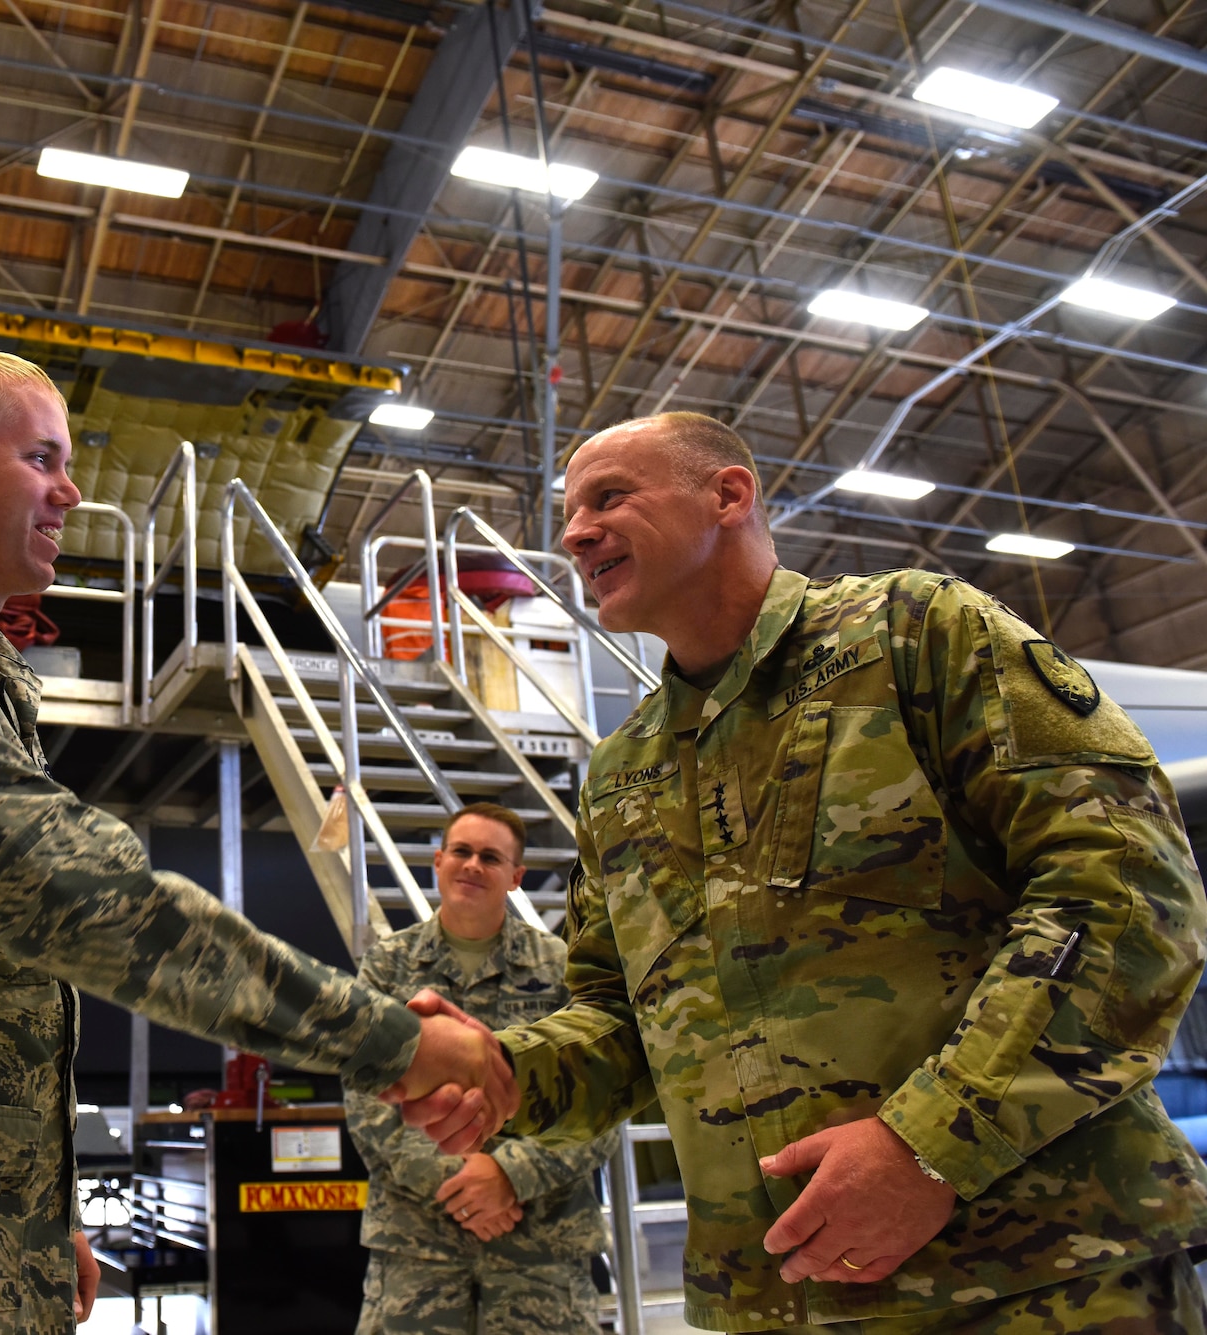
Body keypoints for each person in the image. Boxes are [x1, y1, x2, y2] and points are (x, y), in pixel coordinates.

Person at [0, 345, 512, 1333]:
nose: (71, 492)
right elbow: (88, 906)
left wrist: (35, 1216)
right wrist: (389, 1040)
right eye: (41, 460)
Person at [398, 411, 1207, 1331]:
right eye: (569, 510)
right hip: (777, 1296)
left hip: (1042, 1278)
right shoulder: (621, 771)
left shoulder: (914, 634)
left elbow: (1128, 888)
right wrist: (508, 1069)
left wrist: (932, 1144)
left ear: (728, 494)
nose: (573, 532)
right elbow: (624, 1023)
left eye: (609, 497)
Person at [348, 803, 615, 1335]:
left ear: (516, 877)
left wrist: (510, 1175)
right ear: (438, 861)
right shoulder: (387, 965)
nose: (473, 865)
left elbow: (602, 1094)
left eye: (491, 857)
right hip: (418, 1243)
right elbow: (364, 1096)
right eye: (462, 852)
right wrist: (461, 1185)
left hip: (542, 1245)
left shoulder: (563, 969)